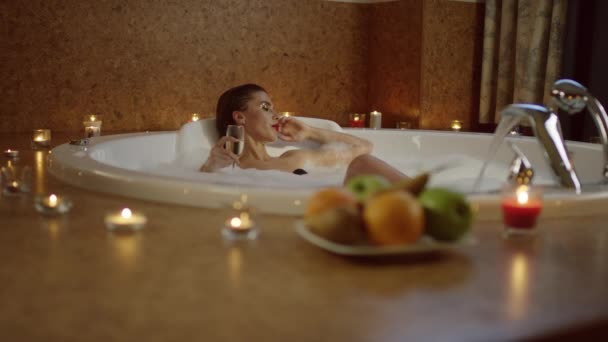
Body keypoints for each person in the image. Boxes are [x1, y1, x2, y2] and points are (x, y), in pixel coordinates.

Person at [200, 83, 408, 184]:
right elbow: (200, 193)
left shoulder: (294, 157)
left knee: (364, 163)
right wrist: (211, 167)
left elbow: (363, 148)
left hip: (328, 207)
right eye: (265, 107)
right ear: (240, 117)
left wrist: (309, 132)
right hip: (299, 220)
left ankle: (422, 204)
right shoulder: (231, 169)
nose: (276, 115)